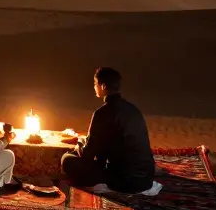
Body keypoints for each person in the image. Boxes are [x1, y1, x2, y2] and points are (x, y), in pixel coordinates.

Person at [61, 67, 162, 196]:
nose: (94, 87)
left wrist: (78, 146)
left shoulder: (102, 113)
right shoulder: (133, 109)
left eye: (95, 84)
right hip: (146, 178)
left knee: (67, 159)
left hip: (124, 181)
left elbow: (88, 156)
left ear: (103, 86)